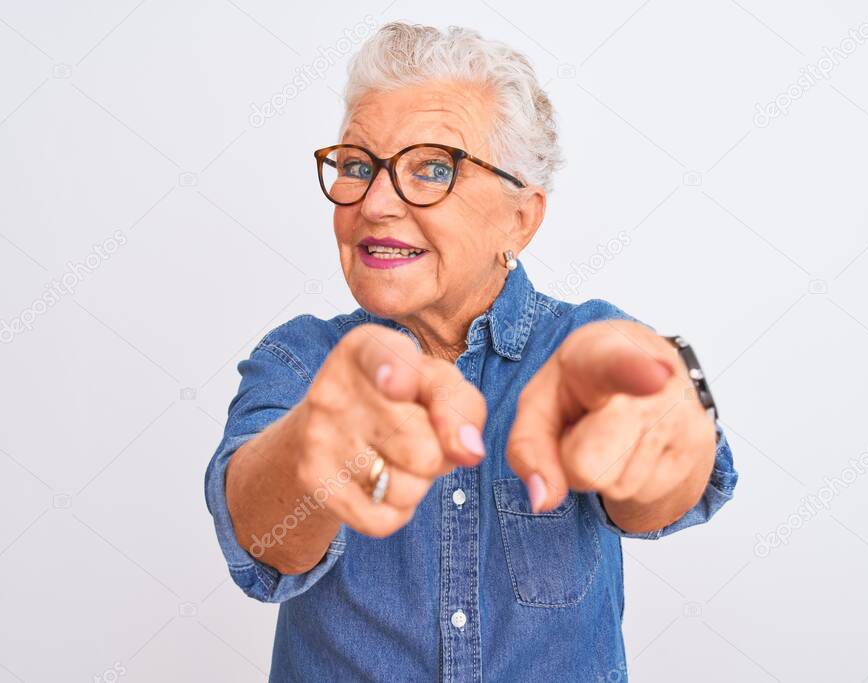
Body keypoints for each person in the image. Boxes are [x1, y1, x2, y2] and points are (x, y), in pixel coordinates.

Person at [204, 21, 737, 681]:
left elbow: (667, 484)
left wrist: (679, 411)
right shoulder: (299, 359)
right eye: (356, 165)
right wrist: (311, 447)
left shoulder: (587, 347)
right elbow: (261, 543)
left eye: (431, 168)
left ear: (521, 216)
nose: (373, 204)